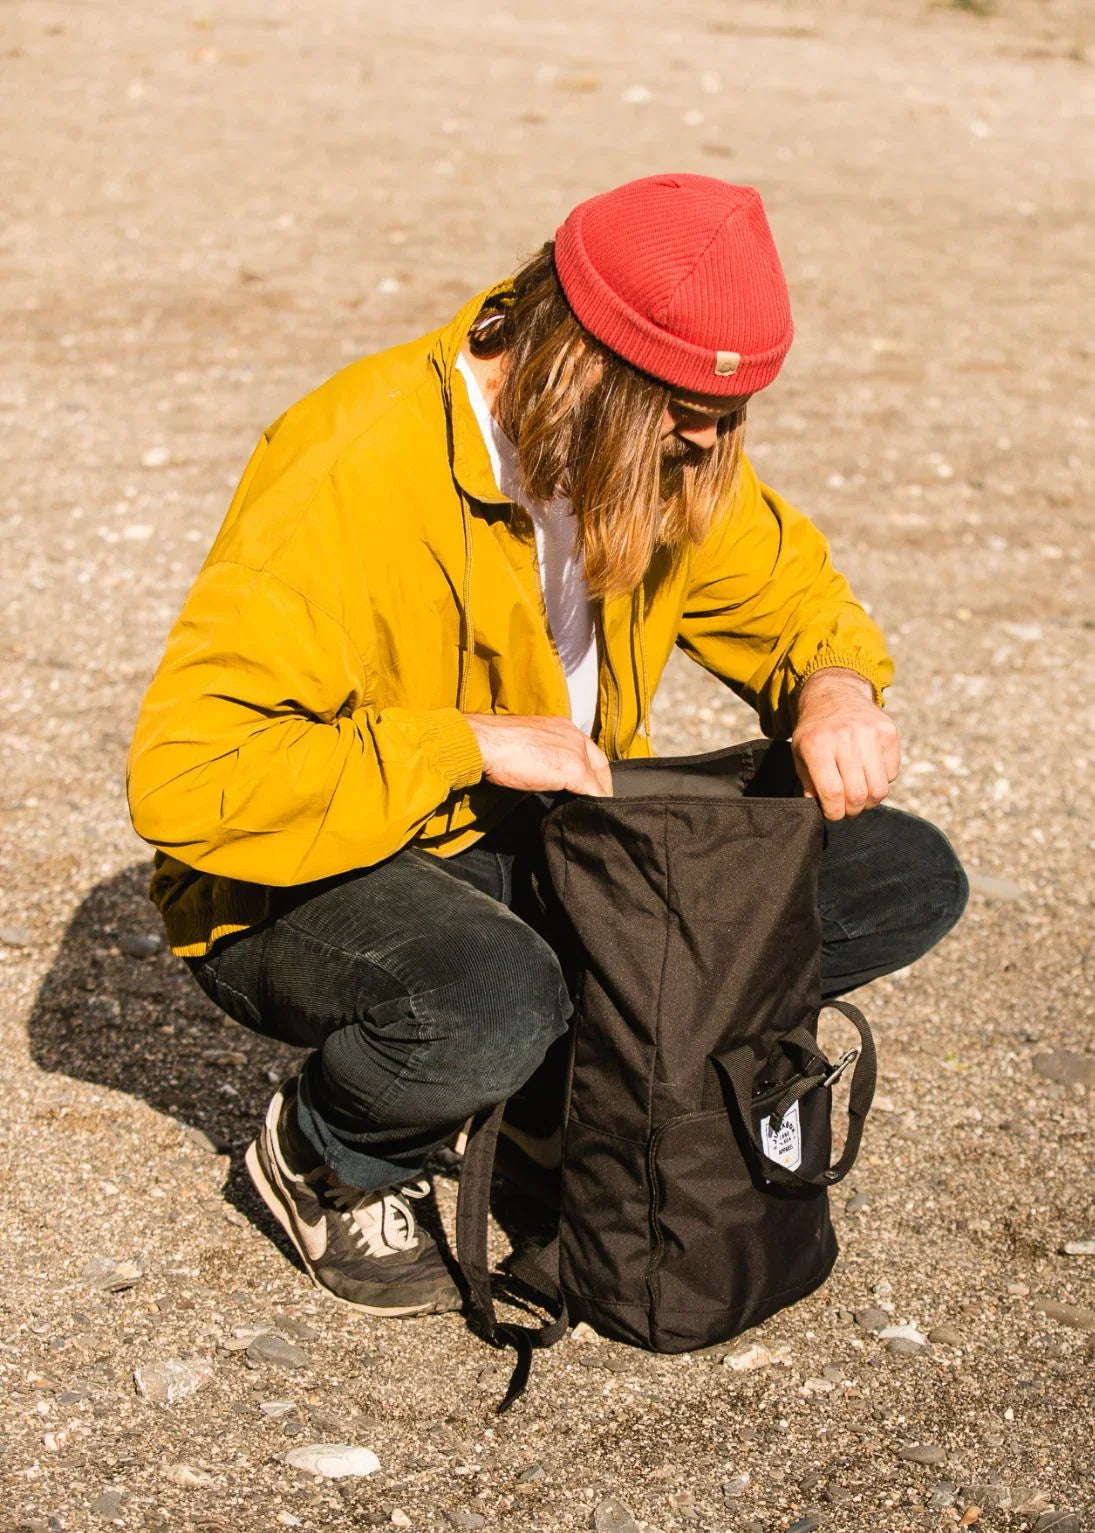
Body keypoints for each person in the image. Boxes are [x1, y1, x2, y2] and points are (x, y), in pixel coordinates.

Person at [126, 173, 968, 1318]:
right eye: (684, 413)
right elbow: (192, 778)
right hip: (316, 867)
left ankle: (564, 1100)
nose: (711, 444)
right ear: (578, 354)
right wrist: (463, 742)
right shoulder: (353, 459)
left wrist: (831, 688)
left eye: (730, 417)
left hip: (544, 831)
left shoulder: (665, 444)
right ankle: (327, 1153)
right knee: (497, 996)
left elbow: (789, 597)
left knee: (895, 875)